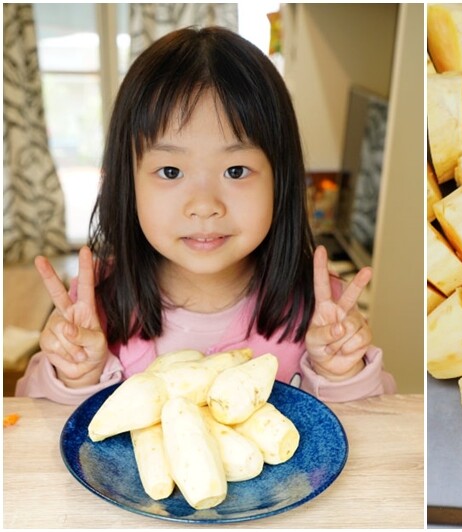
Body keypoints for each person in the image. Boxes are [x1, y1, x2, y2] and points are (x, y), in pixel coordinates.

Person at [16, 26, 395, 405]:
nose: (203, 204)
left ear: (281, 179)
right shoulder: (95, 305)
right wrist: (76, 376)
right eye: (170, 172)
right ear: (127, 182)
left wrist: (339, 373)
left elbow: (380, 425)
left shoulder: (323, 310)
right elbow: (30, 420)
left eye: (235, 171)